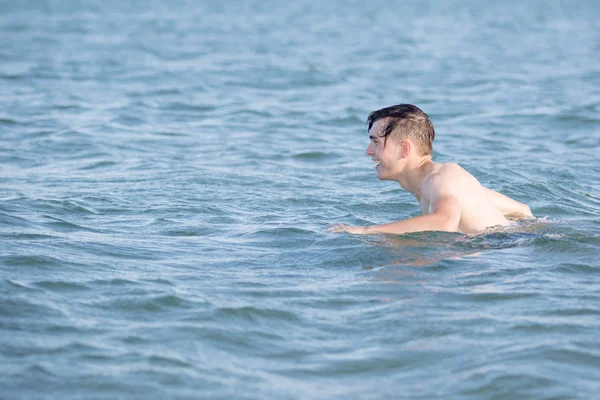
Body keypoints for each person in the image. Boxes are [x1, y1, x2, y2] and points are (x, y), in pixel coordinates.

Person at [328, 104, 532, 235]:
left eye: (375, 142)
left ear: (404, 148)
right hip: (512, 245)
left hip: (508, 254)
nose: (368, 151)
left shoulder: (440, 180)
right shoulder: (442, 181)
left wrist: (366, 231)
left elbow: (444, 222)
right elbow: (521, 209)